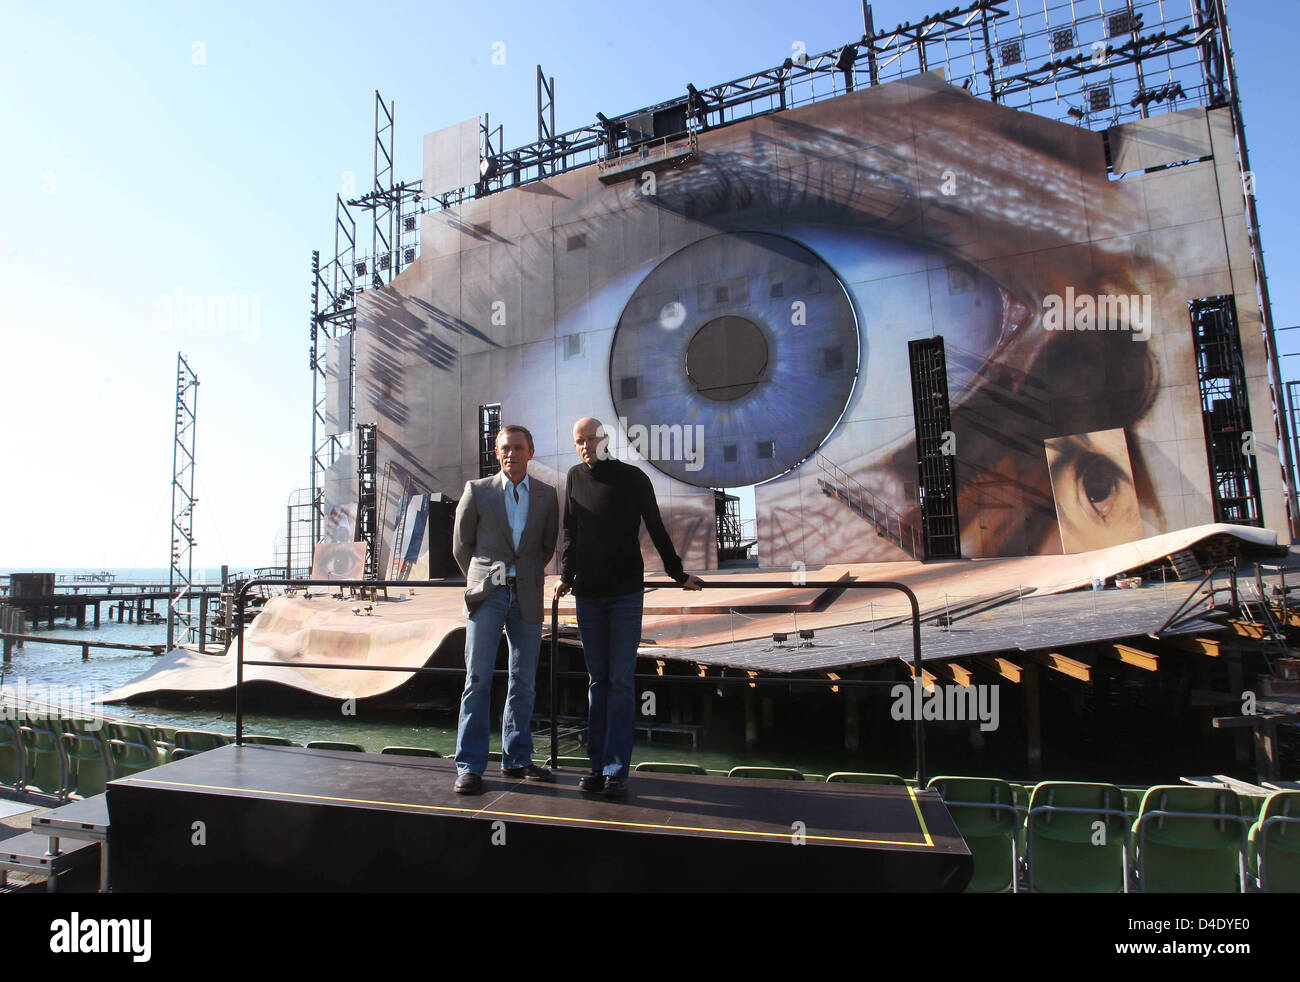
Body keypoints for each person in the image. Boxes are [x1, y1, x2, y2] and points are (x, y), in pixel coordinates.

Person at [556, 417, 703, 799]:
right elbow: (570, 530)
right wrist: (567, 575)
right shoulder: (573, 478)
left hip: (624, 594)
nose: (586, 445)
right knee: (597, 681)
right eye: (579, 441)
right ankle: (595, 765)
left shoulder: (634, 478)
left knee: (620, 681)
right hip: (587, 595)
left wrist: (677, 574)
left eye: (591, 438)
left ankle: (616, 769)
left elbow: (655, 526)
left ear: (605, 439)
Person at [451, 424, 559, 795]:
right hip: (488, 595)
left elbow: (546, 548)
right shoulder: (477, 491)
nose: (510, 453)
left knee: (523, 681)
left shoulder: (547, 495)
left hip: (527, 595)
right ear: (497, 453)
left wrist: (523, 574)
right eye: (504, 448)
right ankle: (469, 766)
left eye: (518, 447)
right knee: (477, 679)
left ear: (531, 451)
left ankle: (516, 758)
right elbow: (461, 546)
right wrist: (483, 580)